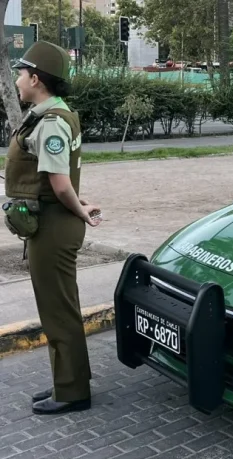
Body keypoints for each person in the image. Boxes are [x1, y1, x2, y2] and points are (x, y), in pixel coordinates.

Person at [3, 41, 101, 415]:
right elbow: (58, 181)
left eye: (21, 73)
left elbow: (60, 185)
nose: (17, 79)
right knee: (59, 307)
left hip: (54, 227)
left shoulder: (52, 123)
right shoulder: (48, 115)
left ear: (36, 79)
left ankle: (73, 391)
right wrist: (81, 204)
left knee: (58, 311)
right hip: (50, 221)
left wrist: (80, 211)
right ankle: (68, 380)